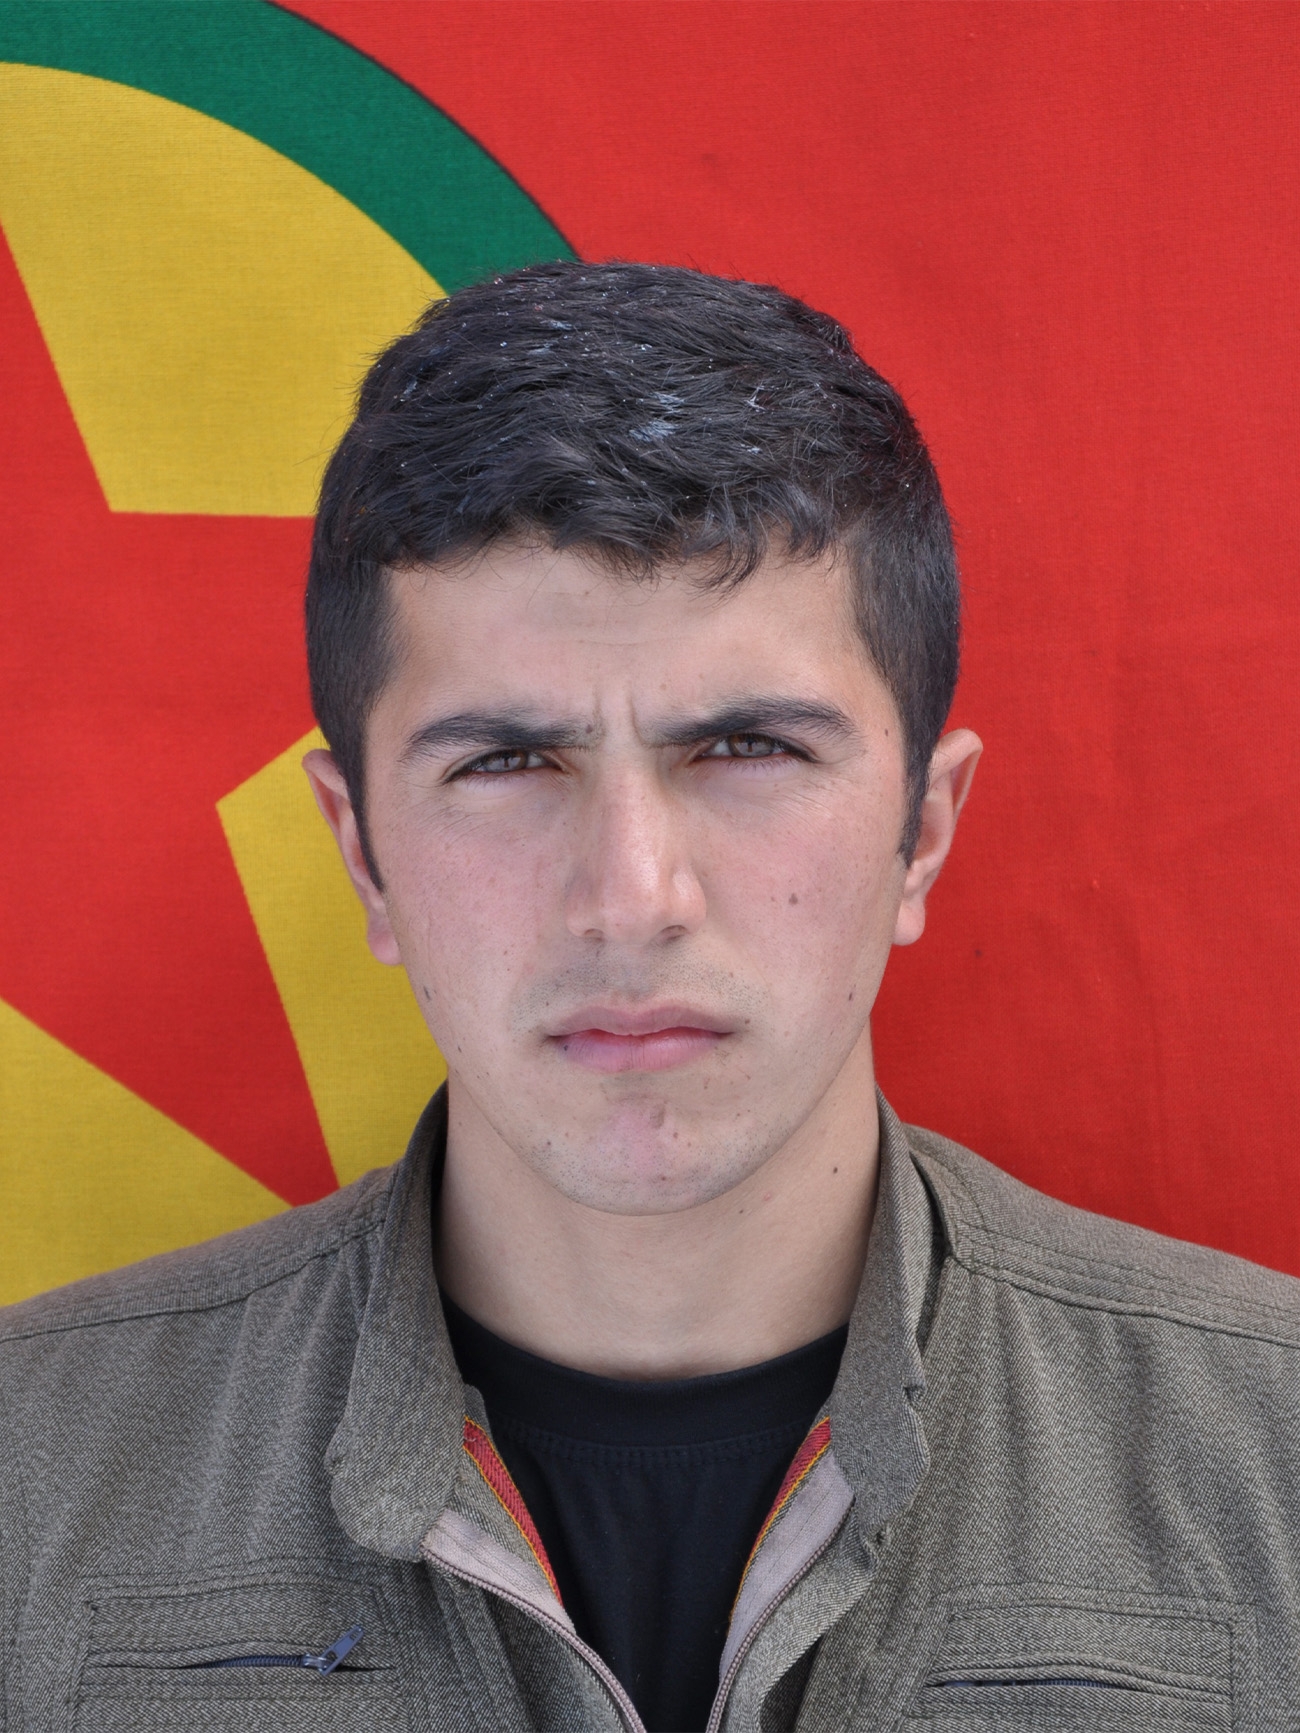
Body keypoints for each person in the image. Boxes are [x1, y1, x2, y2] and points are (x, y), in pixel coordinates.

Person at [3, 261, 1299, 1733]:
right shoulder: (28, 1484)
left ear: (923, 832)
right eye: (506, 761)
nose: (629, 896)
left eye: (746, 748)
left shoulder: (1272, 1465)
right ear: (361, 853)